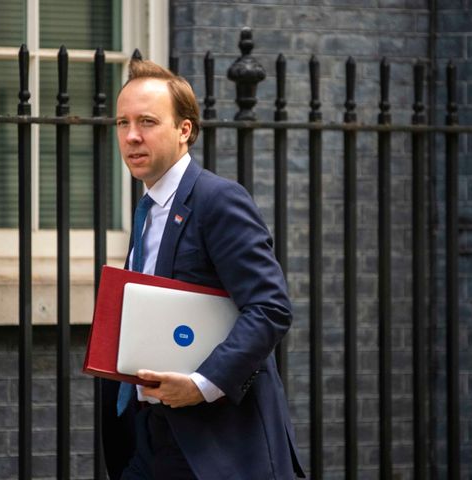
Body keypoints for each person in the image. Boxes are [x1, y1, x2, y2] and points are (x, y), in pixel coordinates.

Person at [101, 59, 305, 480]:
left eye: (147, 121)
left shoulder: (217, 200)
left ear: (184, 130)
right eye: (122, 122)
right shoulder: (149, 210)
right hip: (148, 437)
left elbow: (270, 308)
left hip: (212, 448)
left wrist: (201, 384)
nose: (132, 136)